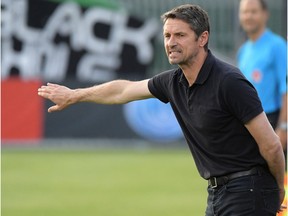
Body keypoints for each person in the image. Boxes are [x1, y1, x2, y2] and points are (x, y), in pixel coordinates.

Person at [38, 4, 285, 215]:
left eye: (180, 35)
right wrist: (75, 95)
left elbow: (271, 145)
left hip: (250, 190)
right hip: (217, 194)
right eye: (167, 36)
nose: (171, 43)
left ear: (203, 38)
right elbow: (122, 90)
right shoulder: (172, 82)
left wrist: (277, 190)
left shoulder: (229, 81)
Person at [237, 0, 287, 150]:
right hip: (248, 123)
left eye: (253, 11)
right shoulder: (243, 51)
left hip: (271, 120)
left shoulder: (277, 46)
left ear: (265, 14)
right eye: (245, 12)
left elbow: (286, 89)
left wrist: (284, 127)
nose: (248, 16)